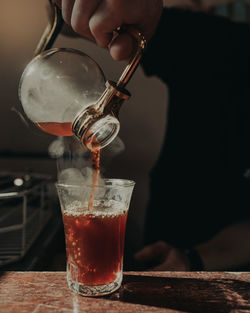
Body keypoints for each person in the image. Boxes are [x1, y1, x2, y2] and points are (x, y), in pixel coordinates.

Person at [54, 0, 250, 271]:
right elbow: (69, 23)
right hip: (159, 247)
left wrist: (194, 258)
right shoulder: (215, 40)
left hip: (229, 275)